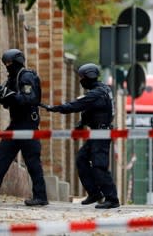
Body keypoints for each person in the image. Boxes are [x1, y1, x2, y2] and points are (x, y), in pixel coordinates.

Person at [0, 49, 48, 207]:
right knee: (1, 157)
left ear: (17, 62)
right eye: (5, 64)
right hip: (16, 125)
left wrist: (10, 95)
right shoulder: (12, 78)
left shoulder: (26, 77)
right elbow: (8, 103)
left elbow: (30, 99)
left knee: (33, 163)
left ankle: (41, 197)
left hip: (27, 125)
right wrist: (3, 95)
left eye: (9, 64)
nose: (7, 67)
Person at [44, 63, 120, 209]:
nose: (81, 81)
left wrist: (55, 108)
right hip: (97, 132)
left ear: (90, 76)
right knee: (81, 159)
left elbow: (77, 105)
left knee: (99, 166)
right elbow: (91, 109)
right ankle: (94, 193)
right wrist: (82, 123)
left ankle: (112, 198)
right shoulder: (102, 90)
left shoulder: (97, 93)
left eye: (82, 78)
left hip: (101, 133)